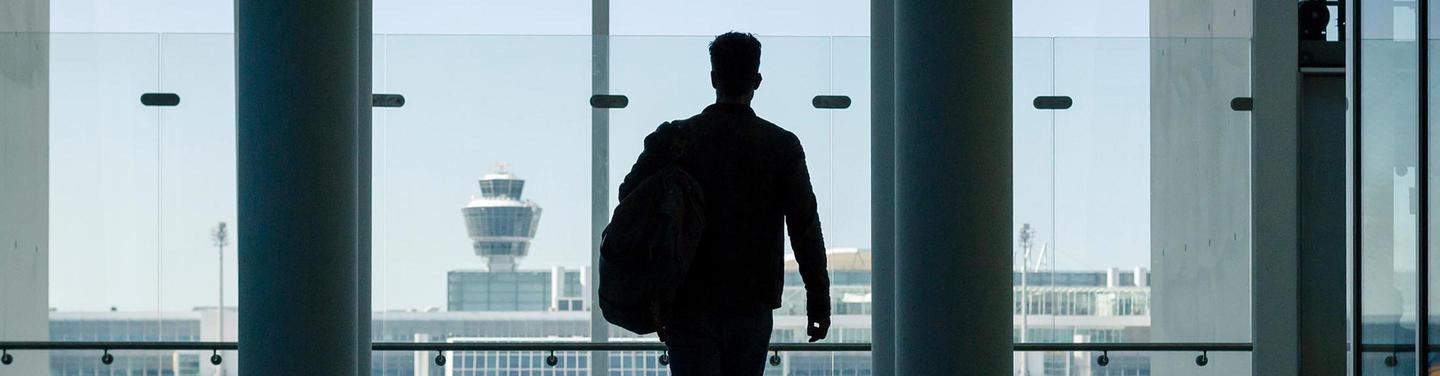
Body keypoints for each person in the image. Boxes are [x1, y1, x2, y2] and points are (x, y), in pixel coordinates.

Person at [618, 31, 831, 375]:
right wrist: (818, 300)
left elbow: (629, 198)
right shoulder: (781, 146)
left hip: (688, 298)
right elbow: (805, 228)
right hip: (752, 301)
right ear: (757, 81)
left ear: (713, 77)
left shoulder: (676, 138)